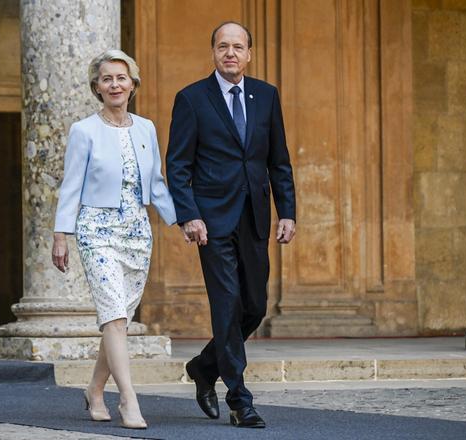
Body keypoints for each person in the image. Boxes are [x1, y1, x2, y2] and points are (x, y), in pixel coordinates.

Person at [166, 22, 296, 428]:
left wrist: (287, 211)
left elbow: (278, 160)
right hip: (213, 222)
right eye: (223, 47)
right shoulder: (191, 99)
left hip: (255, 216)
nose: (231, 54)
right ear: (213, 53)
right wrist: (189, 214)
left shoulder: (267, 96)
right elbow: (178, 165)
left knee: (254, 306)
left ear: (249, 54)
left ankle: (205, 367)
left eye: (238, 47)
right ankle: (240, 400)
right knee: (227, 306)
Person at [52, 49, 176, 430]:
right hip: (96, 230)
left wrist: (183, 220)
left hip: (137, 233)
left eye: (121, 78)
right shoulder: (84, 131)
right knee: (116, 318)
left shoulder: (146, 128)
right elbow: (71, 186)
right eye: (107, 79)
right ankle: (129, 399)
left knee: (115, 321)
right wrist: (61, 235)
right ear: (97, 87)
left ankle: (94, 389)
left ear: (133, 85)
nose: (115, 84)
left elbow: (155, 184)